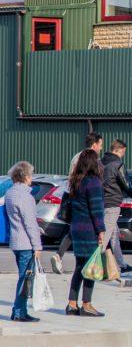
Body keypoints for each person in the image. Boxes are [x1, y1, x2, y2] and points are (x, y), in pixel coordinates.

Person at [51, 132, 104, 275]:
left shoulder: (76, 156)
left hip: (72, 195)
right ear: (94, 144)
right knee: (83, 234)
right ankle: (92, 266)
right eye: (100, 145)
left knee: (73, 230)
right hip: (86, 198)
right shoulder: (92, 160)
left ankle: (59, 254)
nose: (100, 148)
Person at [66, 149, 107, 317]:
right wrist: (101, 231)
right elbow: (96, 209)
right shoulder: (94, 182)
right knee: (92, 267)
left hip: (76, 228)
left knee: (79, 267)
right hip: (89, 229)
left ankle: (71, 303)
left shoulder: (76, 181)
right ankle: (87, 304)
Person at [5, 161, 43, 322]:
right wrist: (37, 246)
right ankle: (19, 311)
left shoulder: (10, 193)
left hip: (15, 240)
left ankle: (20, 309)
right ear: (25, 176)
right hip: (26, 242)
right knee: (26, 277)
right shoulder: (26, 197)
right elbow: (30, 223)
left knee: (24, 276)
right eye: (30, 175)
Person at [101, 139, 132, 274]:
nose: (123, 154)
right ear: (120, 150)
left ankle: (122, 265)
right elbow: (126, 185)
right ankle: (95, 266)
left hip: (100, 203)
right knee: (106, 236)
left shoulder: (100, 163)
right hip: (112, 204)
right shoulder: (118, 165)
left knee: (114, 235)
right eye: (124, 152)